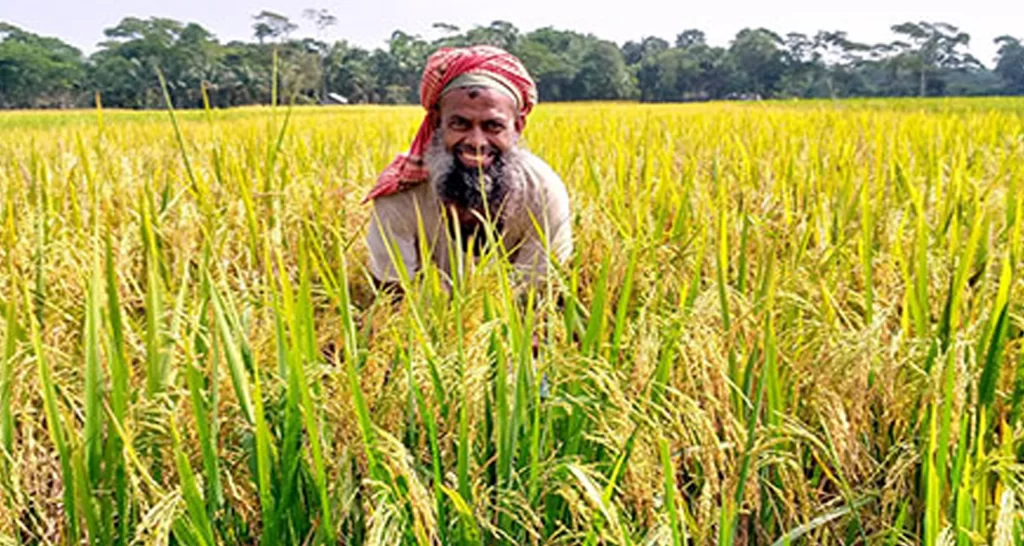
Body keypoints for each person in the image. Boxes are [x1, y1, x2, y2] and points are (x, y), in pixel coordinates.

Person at [364, 45, 572, 295]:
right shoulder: (400, 196)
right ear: (438, 123)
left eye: (493, 126)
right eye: (460, 124)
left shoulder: (543, 191)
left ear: (517, 126)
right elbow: (392, 302)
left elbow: (534, 300)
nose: (476, 142)